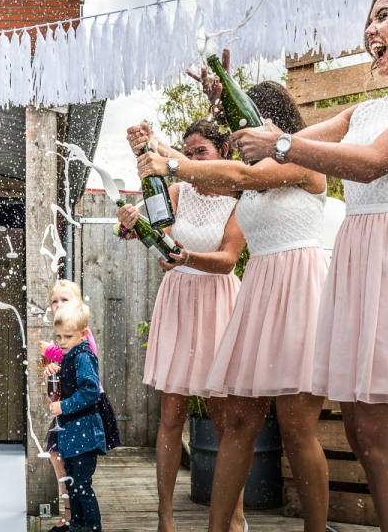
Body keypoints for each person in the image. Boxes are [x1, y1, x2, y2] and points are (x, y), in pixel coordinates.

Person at [232, 0, 388, 532]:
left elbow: (370, 162)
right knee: (363, 438)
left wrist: (282, 143)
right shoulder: (362, 111)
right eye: (370, 18)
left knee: (386, 444)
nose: (370, 29)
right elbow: (277, 154)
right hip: (358, 259)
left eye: (383, 15)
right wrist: (230, 109)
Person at [129, 78, 330, 532]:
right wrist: (155, 141)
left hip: (300, 289)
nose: (238, 139)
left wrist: (170, 160)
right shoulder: (249, 180)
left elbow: (235, 174)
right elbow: (221, 172)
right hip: (259, 291)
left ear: (269, 122)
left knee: (297, 430)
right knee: (238, 420)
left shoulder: (303, 162)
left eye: (242, 128)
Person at [116, 119, 246, 532]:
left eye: (200, 152)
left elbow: (227, 260)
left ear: (223, 152)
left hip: (219, 302)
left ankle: (232, 515)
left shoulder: (239, 198)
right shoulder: (175, 189)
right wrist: (131, 224)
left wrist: (187, 257)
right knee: (171, 412)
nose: (191, 160)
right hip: (178, 300)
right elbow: (156, 234)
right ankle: (165, 517)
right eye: (187, 153)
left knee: (225, 417)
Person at [38, 279, 121, 532]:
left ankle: (88, 525)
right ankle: (75, 521)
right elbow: (62, 371)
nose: (61, 341)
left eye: (66, 300)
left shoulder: (82, 346)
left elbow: (89, 385)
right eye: (55, 301)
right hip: (72, 417)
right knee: (70, 472)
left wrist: (52, 352)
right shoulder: (68, 340)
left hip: (83, 416)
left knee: (81, 480)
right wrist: (48, 366)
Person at [49, 300, 105, 532]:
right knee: (73, 484)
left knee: (82, 485)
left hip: (85, 433)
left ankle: (92, 528)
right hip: (72, 434)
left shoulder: (83, 356)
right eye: (58, 336)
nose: (62, 342)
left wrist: (65, 406)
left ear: (83, 335)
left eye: (68, 337)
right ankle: (77, 525)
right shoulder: (69, 355)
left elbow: (91, 392)